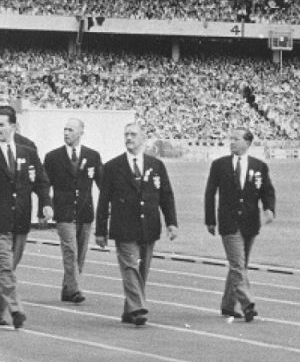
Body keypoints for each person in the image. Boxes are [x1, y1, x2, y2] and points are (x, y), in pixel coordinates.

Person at [95, 122, 178, 326]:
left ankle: (129, 309)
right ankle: (139, 308)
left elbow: (166, 195)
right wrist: (100, 230)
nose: (129, 138)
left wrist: (171, 223)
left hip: (148, 226)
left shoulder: (156, 165)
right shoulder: (113, 167)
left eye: (133, 134)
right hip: (124, 227)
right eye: (126, 134)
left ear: (143, 138)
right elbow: (104, 200)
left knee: (142, 271)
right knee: (130, 267)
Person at [204, 127, 275, 322]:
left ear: (247, 143)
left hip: (250, 223)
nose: (232, 142)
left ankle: (228, 305)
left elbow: (267, 191)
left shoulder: (259, 166)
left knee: (239, 265)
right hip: (229, 223)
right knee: (237, 265)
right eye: (231, 139)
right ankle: (247, 304)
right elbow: (210, 193)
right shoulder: (220, 165)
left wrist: (269, 209)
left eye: (236, 139)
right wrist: (210, 219)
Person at [0, 105, 52, 328]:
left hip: (20, 219)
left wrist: (46, 205)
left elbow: (41, 181)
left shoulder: (27, 151)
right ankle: (16, 309)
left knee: (10, 267)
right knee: (5, 266)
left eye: (2, 124)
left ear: (13, 126)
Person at [44, 118, 103, 304]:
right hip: (64, 212)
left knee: (80, 254)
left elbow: (103, 184)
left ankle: (67, 289)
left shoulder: (92, 156)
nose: (66, 133)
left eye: (70, 129)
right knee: (70, 250)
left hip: (85, 212)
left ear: (80, 133)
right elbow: (44, 185)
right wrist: (45, 207)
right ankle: (75, 289)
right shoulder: (53, 157)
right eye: (65, 129)